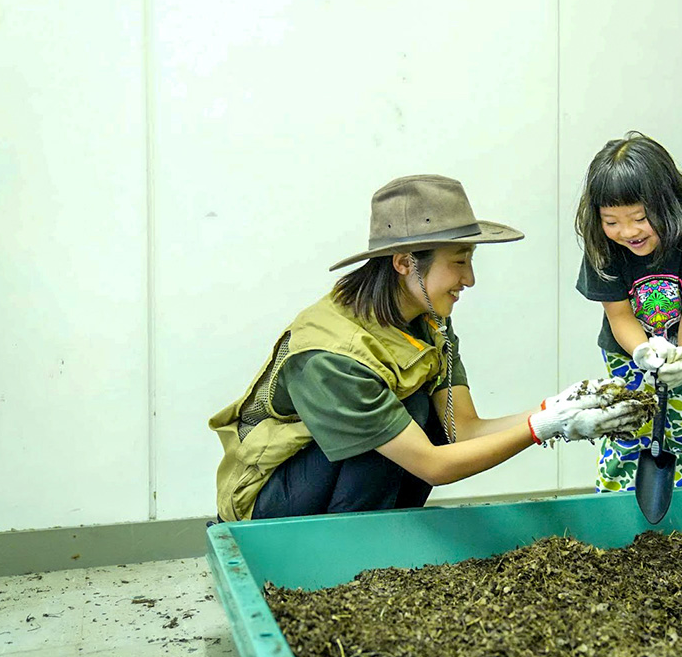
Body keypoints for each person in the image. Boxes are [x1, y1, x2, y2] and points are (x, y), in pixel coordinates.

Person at [210, 174, 647, 521]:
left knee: (427, 419)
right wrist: (545, 428)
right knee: (412, 416)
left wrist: (560, 406)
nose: (469, 279)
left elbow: (463, 430)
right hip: (272, 505)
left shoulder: (428, 321)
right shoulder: (332, 356)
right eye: (459, 262)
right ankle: (349, 554)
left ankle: (380, 538)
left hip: (342, 481)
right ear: (404, 264)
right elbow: (432, 465)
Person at [575, 132, 682, 493]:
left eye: (639, 218)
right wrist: (642, 352)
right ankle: (615, 509)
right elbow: (619, 316)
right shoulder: (603, 246)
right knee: (626, 429)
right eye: (611, 221)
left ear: (668, 204)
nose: (626, 232)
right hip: (627, 352)